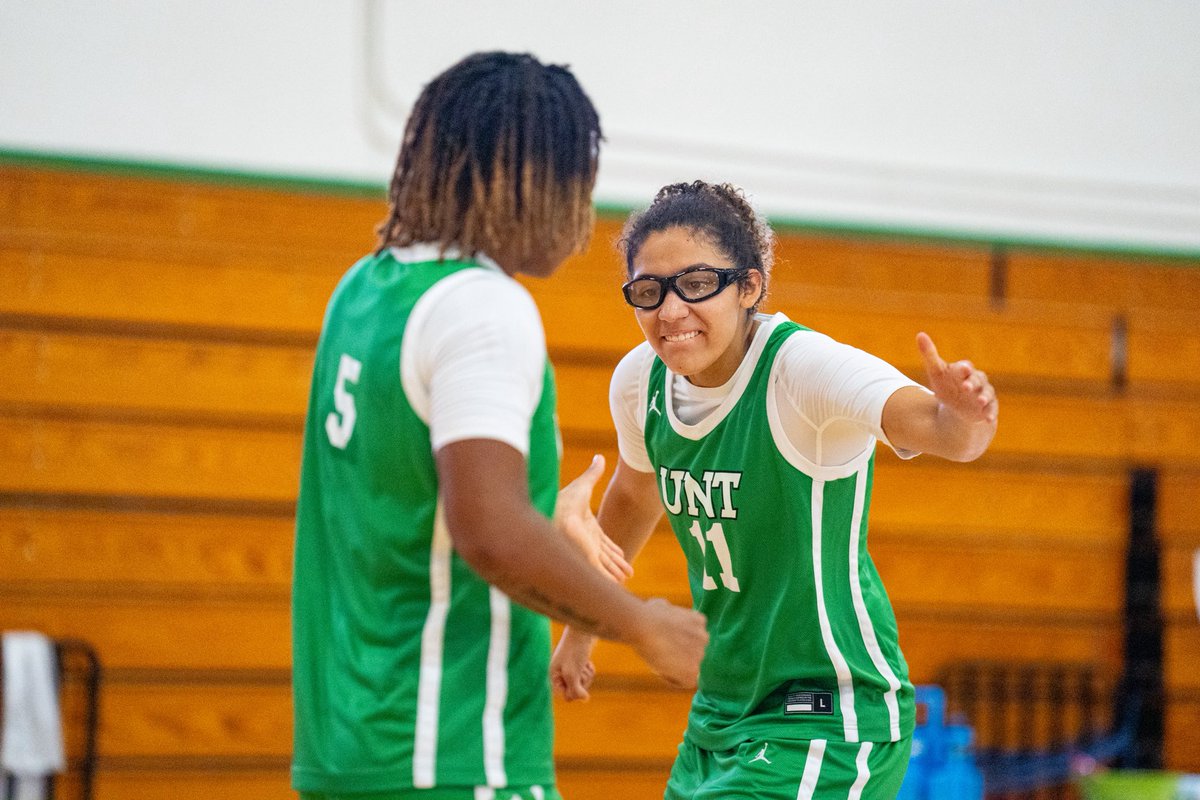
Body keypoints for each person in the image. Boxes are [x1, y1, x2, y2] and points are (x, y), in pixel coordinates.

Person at [291, 53, 708, 800]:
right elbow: (487, 528)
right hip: (447, 749)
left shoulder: (363, 289)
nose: (583, 210)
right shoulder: (481, 305)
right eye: (576, 179)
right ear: (526, 177)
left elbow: (402, 500)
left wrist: (547, 512)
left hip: (345, 747)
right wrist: (642, 624)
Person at [551, 181, 999, 799]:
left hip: (830, 712)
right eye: (649, 291)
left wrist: (968, 416)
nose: (671, 310)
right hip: (721, 711)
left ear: (749, 287)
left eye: (698, 283)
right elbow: (632, 496)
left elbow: (943, 432)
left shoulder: (802, 369)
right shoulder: (638, 382)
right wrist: (582, 626)